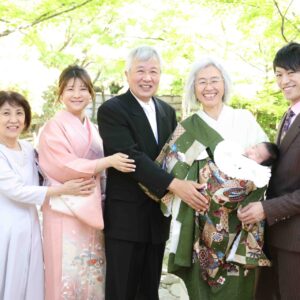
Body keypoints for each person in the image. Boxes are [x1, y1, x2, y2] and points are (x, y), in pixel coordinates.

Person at [97, 46, 207, 300]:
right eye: (141, 71)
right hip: (126, 218)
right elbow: (131, 156)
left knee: (149, 291)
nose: (147, 78)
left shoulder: (166, 111)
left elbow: (175, 157)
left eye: (153, 72)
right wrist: (174, 184)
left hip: (157, 218)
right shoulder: (112, 110)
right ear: (127, 74)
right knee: (121, 291)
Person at [154, 57, 269, 300]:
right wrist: (184, 189)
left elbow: (267, 164)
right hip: (201, 225)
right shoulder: (188, 127)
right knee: (201, 288)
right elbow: (165, 172)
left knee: (238, 289)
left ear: (224, 85)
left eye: (214, 81)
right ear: (193, 89)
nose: (209, 87)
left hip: (241, 222)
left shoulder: (244, 119)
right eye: (202, 82)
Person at [37, 65, 136, 300]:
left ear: (91, 93)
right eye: (70, 89)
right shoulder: (53, 128)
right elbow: (62, 165)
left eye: (83, 88)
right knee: (65, 275)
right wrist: (107, 162)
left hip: (92, 209)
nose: (77, 94)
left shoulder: (94, 129)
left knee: (91, 274)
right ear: (60, 94)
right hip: (65, 209)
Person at [0, 91, 96, 300]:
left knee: (32, 280)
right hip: (5, 227)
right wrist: (64, 189)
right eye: (5, 113)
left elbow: (48, 174)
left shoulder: (28, 149)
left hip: (31, 224)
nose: (13, 120)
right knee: (9, 279)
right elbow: (16, 190)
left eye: (19, 113)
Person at [239, 42, 300, 299]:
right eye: (278, 74)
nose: (284, 81)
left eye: (291, 72)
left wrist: (266, 209)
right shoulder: (289, 115)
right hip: (276, 236)